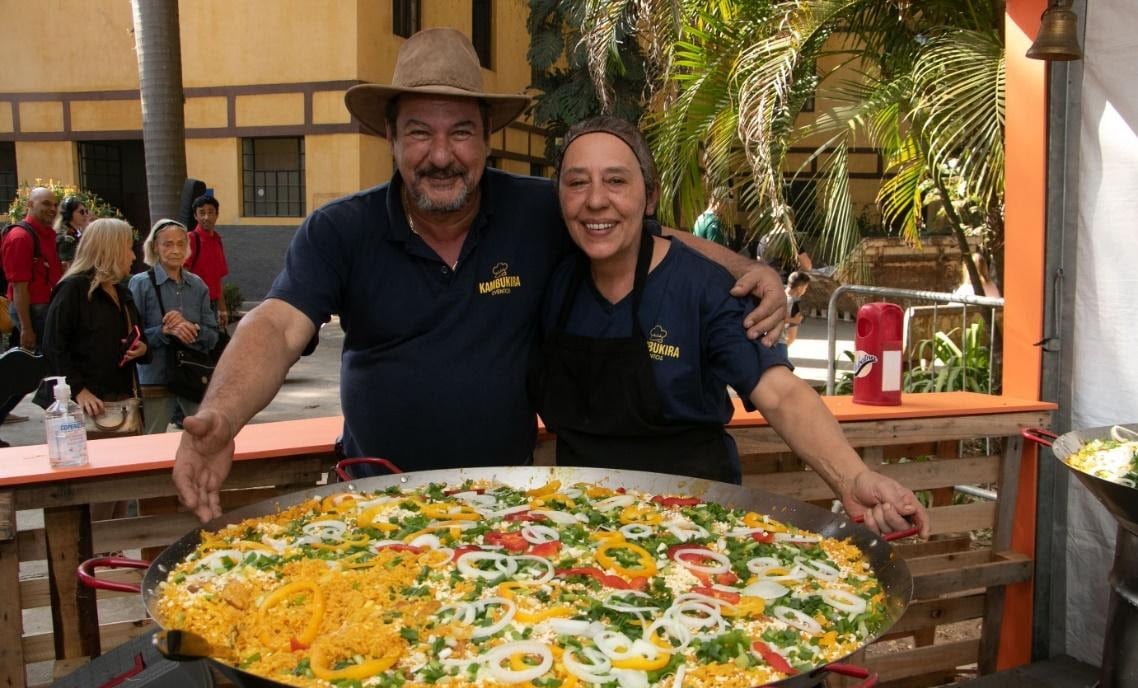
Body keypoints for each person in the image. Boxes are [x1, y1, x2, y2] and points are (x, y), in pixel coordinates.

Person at [172, 27, 787, 523]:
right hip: (377, 508)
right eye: (420, 132)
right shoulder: (340, 230)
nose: (442, 155)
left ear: (486, 138)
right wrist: (222, 419)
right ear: (389, 137)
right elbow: (277, 327)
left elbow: (635, 230)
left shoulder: (537, 210)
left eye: (461, 131)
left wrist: (747, 268)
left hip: (511, 509)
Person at [530, 116, 927, 538]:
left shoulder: (704, 288)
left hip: (694, 524)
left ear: (649, 197)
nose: (595, 200)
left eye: (616, 181)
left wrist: (852, 479)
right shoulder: (550, 278)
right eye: (577, 183)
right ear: (559, 199)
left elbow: (780, 393)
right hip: (580, 524)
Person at [41, 218, 149, 518]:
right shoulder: (73, 290)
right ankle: (93, 558)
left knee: (120, 490)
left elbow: (137, 334)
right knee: (98, 494)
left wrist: (142, 348)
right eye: (128, 248)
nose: (133, 256)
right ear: (111, 249)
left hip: (122, 402)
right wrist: (78, 390)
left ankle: (109, 557)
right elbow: (53, 347)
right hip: (89, 408)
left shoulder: (121, 292)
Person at [128, 219, 219, 434]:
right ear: (155, 247)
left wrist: (191, 330)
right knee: (151, 439)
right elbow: (132, 337)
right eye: (167, 244)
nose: (175, 250)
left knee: (208, 434)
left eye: (180, 244)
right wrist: (164, 331)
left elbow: (213, 336)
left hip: (192, 375)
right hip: (155, 377)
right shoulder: (141, 284)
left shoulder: (197, 285)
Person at [0, 187, 64, 434]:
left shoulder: (46, 234)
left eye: (54, 204)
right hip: (32, 311)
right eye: (45, 203)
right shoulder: (20, 237)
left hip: (43, 309)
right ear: (30, 204)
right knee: (32, 368)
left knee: (27, 369)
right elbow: (19, 286)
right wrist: (26, 327)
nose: (51, 208)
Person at [185, 194, 230, 329]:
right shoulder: (190, 239)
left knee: (212, 343)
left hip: (213, 304)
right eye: (202, 213)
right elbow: (183, 274)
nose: (206, 217)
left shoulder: (217, 240)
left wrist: (222, 309)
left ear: (217, 215)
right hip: (195, 305)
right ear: (195, 216)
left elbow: (218, 279)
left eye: (211, 212)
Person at [54, 195, 91, 271]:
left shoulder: (75, 231)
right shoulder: (66, 237)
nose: (86, 215)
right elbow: (66, 265)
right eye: (81, 212)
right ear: (69, 214)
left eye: (86, 211)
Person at [780, 270, 810, 346]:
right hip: (778, 342)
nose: (805, 291)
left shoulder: (777, 293)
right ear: (799, 288)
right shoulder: (793, 303)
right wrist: (794, 320)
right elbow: (791, 337)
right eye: (805, 288)